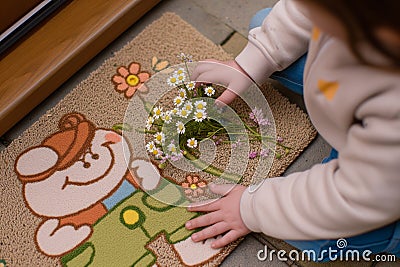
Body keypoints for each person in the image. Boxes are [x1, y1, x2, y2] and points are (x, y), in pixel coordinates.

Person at [185, 0, 400, 261]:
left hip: (384, 185)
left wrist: (252, 208)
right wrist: (252, 62)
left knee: (327, 238)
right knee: (266, 26)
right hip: (369, 121)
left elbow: (355, 197)